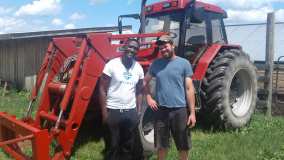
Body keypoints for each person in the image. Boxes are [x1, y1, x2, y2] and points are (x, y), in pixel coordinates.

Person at [144, 35, 196, 160]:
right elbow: (144, 82)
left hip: (179, 110)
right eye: (161, 48)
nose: (163, 50)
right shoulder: (156, 64)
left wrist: (192, 113)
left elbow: (189, 89)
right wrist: (148, 98)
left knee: (183, 146)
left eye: (165, 46)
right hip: (161, 111)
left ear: (173, 46)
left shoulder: (184, 63)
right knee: (162, 146)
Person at [99, 38, 144, 160]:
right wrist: (104, 114)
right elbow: (102, 89)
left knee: (128, 145)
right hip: (113, 111)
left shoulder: (138, 68)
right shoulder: (112, 65)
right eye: (130, 46)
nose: (132, 50)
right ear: (124, 47)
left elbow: (140, 91)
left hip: (130, 111)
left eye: (135, 48)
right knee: (112, 145)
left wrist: (138, 111)